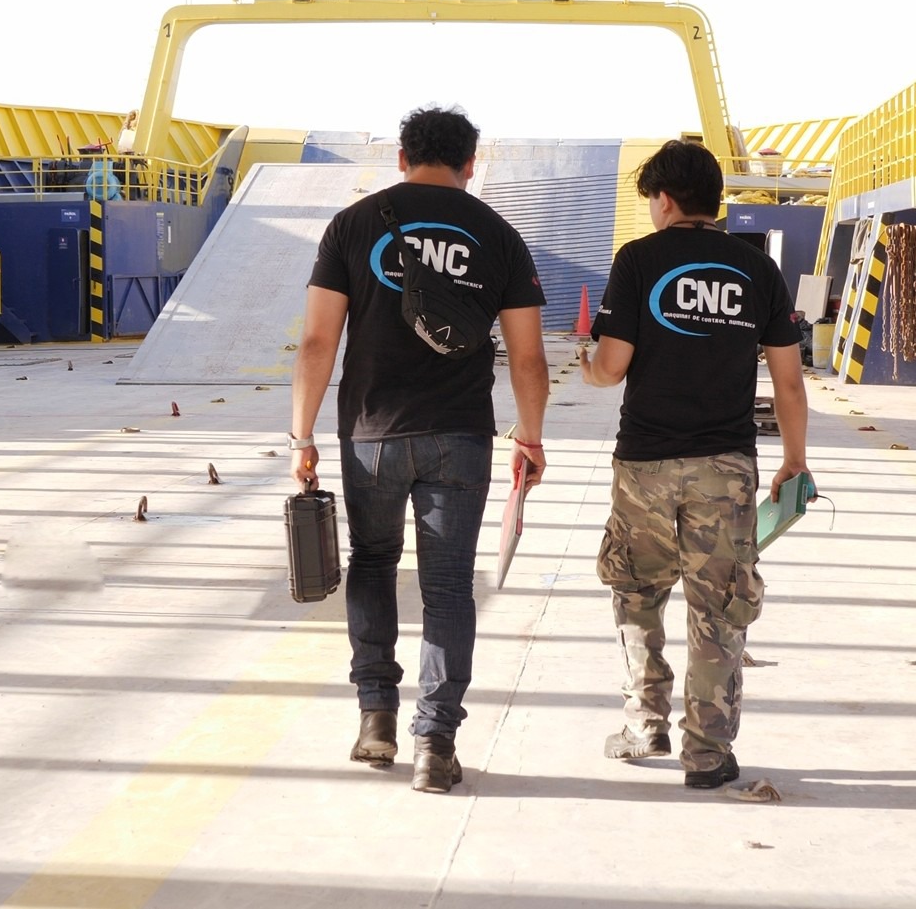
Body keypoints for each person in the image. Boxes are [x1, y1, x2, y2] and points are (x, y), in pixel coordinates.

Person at [290, 106, 549, 795]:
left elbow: (318, 341)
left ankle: (376, 717)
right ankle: (435, 743)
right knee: (447, 586)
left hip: (371, 434)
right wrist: (530, 433)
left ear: (402, 156)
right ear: (472, 162)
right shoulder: (499, 235)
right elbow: (528, 357)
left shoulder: (354, 224)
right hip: (461, 435)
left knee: (372, 562)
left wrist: (302, 433)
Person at [578, 139, 808, 789]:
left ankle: (645, 721)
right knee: (720, 606)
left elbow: (612, 362)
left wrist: (590, 369)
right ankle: (706, 751)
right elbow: (789, 382)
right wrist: (794, 459)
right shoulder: (756, 271)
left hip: (645, 464)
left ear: (665, 199)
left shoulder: (639, 259)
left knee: (636, 590)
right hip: (725, 467)